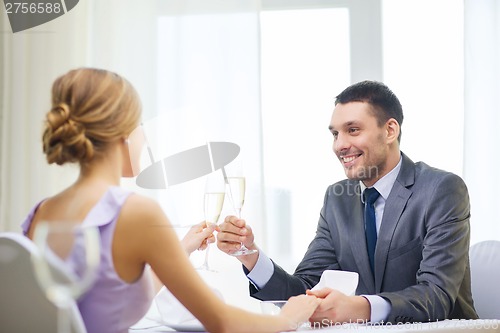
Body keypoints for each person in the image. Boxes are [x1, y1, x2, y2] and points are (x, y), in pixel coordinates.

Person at [21, 68, 320, 333]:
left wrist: (180, 250)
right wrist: (287, 318)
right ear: (123, 133)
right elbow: (222, 323)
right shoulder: (135, 211)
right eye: (140, 125)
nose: (145, 139)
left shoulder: (42, 212)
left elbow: (102, 300)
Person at [217, 80, 478, 325]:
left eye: (353, 130)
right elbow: (303, 291)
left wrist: (357, 307)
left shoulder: (441, 190)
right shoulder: (337, 199)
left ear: (390, 130)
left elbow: (436, 296)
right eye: (335, 134)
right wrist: (250, 255)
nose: (340, 145)